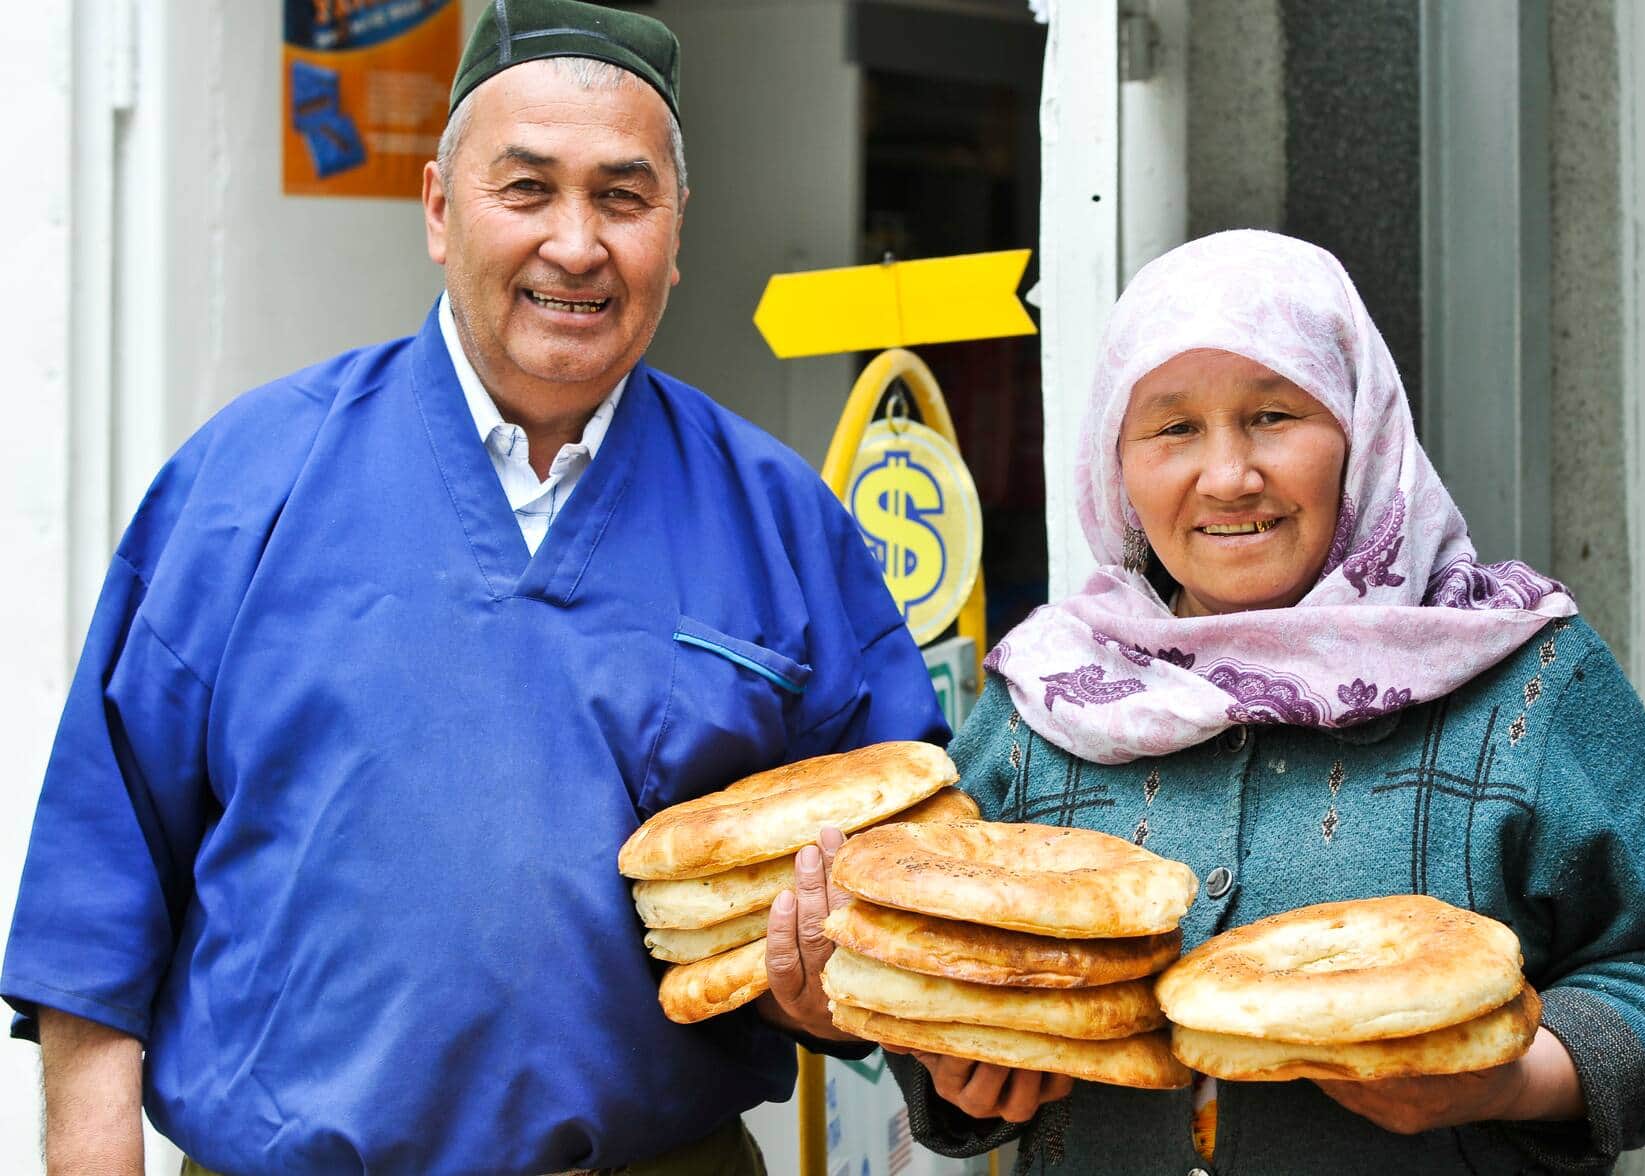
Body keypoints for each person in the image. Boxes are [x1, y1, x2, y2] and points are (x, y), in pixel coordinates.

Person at [2, 3, 941, 1173]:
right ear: (442, 210)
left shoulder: (778, 517)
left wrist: (818, 992)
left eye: (622, 196)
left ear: (676, 230)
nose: (576, 244)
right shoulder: (246, 483)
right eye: (528, 189)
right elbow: (99, 886)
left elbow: (910, 879)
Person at [880, 230, 1645, 1173]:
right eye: (1173, 428)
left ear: (1362, 430)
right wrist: (956, 1072)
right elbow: (939, 972)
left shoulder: (1523, 674)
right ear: (1115, 463)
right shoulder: (1045, 697)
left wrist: (1514, 1079)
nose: (1227, 475)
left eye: (1273, 415)